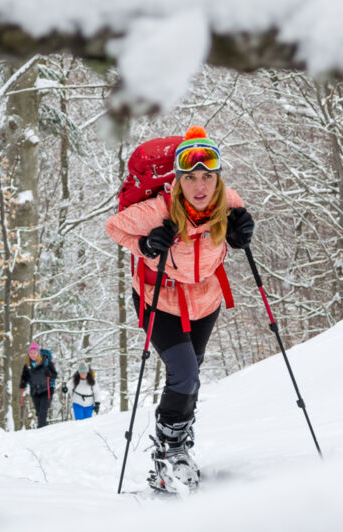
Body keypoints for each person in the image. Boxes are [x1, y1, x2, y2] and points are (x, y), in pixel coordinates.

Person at [105, 126, 255, 491]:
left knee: (190, 376)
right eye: (190, 178)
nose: (200, 186)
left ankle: (178, 445)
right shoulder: (159, 210)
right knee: (185, 372)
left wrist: (242, 231)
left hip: (205, 300)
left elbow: (240, 228)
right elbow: (115, 228)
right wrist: (146, 244)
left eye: (207, 177)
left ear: (217, 179)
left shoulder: (228, 202)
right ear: (178, 180)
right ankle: (168, 455)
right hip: (161, 301)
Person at [18, 342, 58, 428]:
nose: (33, 355)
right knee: (38, 413)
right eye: (31, 353)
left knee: (42, 413)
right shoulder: (28, 365)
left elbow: (55, 375)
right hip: (35, 391)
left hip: (46, 390)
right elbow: (24, 377)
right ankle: (45, 428)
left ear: (38, 353)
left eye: (34, 352)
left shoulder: (46, 362)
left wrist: (49, 374)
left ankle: (41, 431)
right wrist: (23, 384)